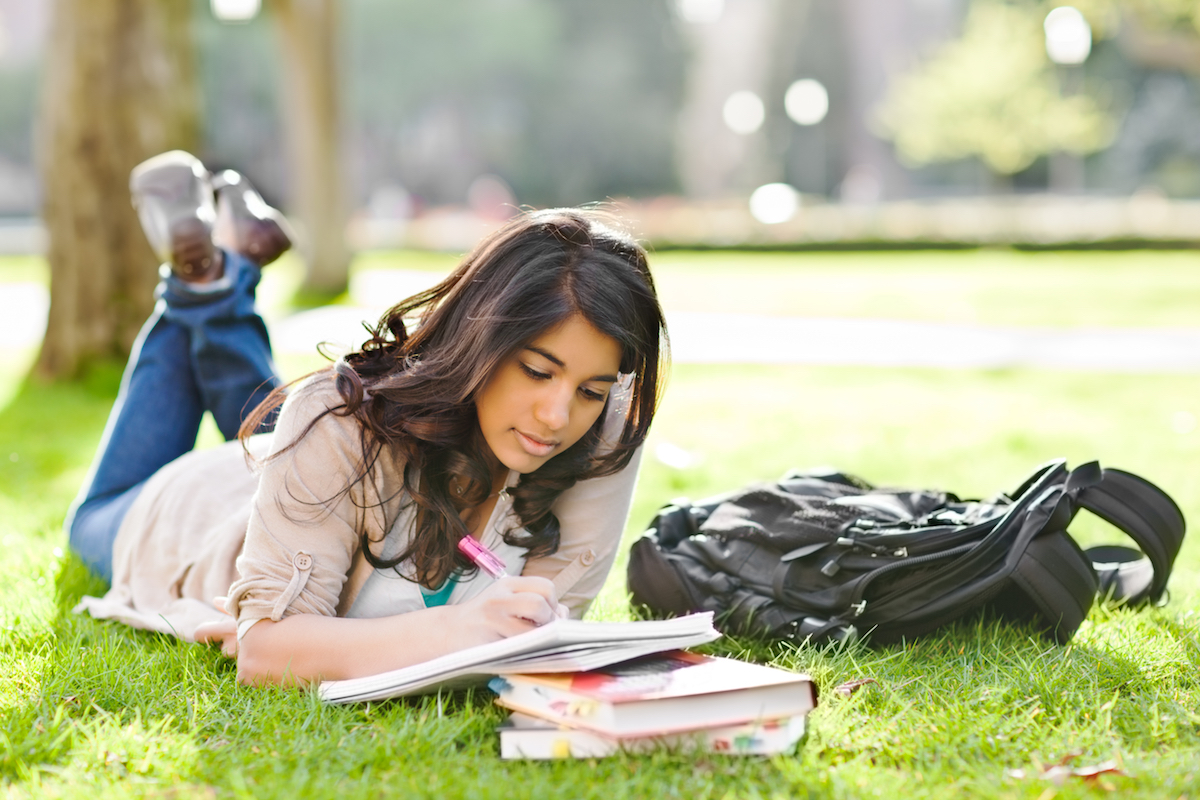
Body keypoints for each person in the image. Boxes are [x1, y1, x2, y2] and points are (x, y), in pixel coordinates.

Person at [69, 151, 668, 687]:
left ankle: (214, 277)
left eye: (591, 389)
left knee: (303, 429)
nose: (559, 416)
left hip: (305, 480)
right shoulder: (338, 424)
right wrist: (461, 628)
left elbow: (543, 635)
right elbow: (266, 653)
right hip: (194, 512)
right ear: (479, 342)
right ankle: (203, 286)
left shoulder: (602, 432)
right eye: (537, 372)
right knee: (90, 519)